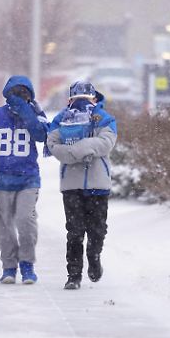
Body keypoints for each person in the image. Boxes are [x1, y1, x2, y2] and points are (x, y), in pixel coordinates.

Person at [0, 76, 48, 284]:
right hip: (1, 180)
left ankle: (27, 264)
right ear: (7, 94)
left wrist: (26, 111)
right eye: (15, 92)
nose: (19, 96)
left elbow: (42, 136)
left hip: (28, 180)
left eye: (24, 93)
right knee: (6, 227)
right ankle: (9, 266)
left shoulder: (36, 113)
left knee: (25, 221)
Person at [46, 81, 117, 290]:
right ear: (69, 100)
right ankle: (73, 275)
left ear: (94, 99)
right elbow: (52, 143)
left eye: (86, 99)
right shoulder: (61, 119)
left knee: (98, 230)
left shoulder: (104, 118)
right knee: (74, 232)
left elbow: (107, 142)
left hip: (98, 183)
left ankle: (94, 256)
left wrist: (79, 148)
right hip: (71, 184)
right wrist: (74, 154)